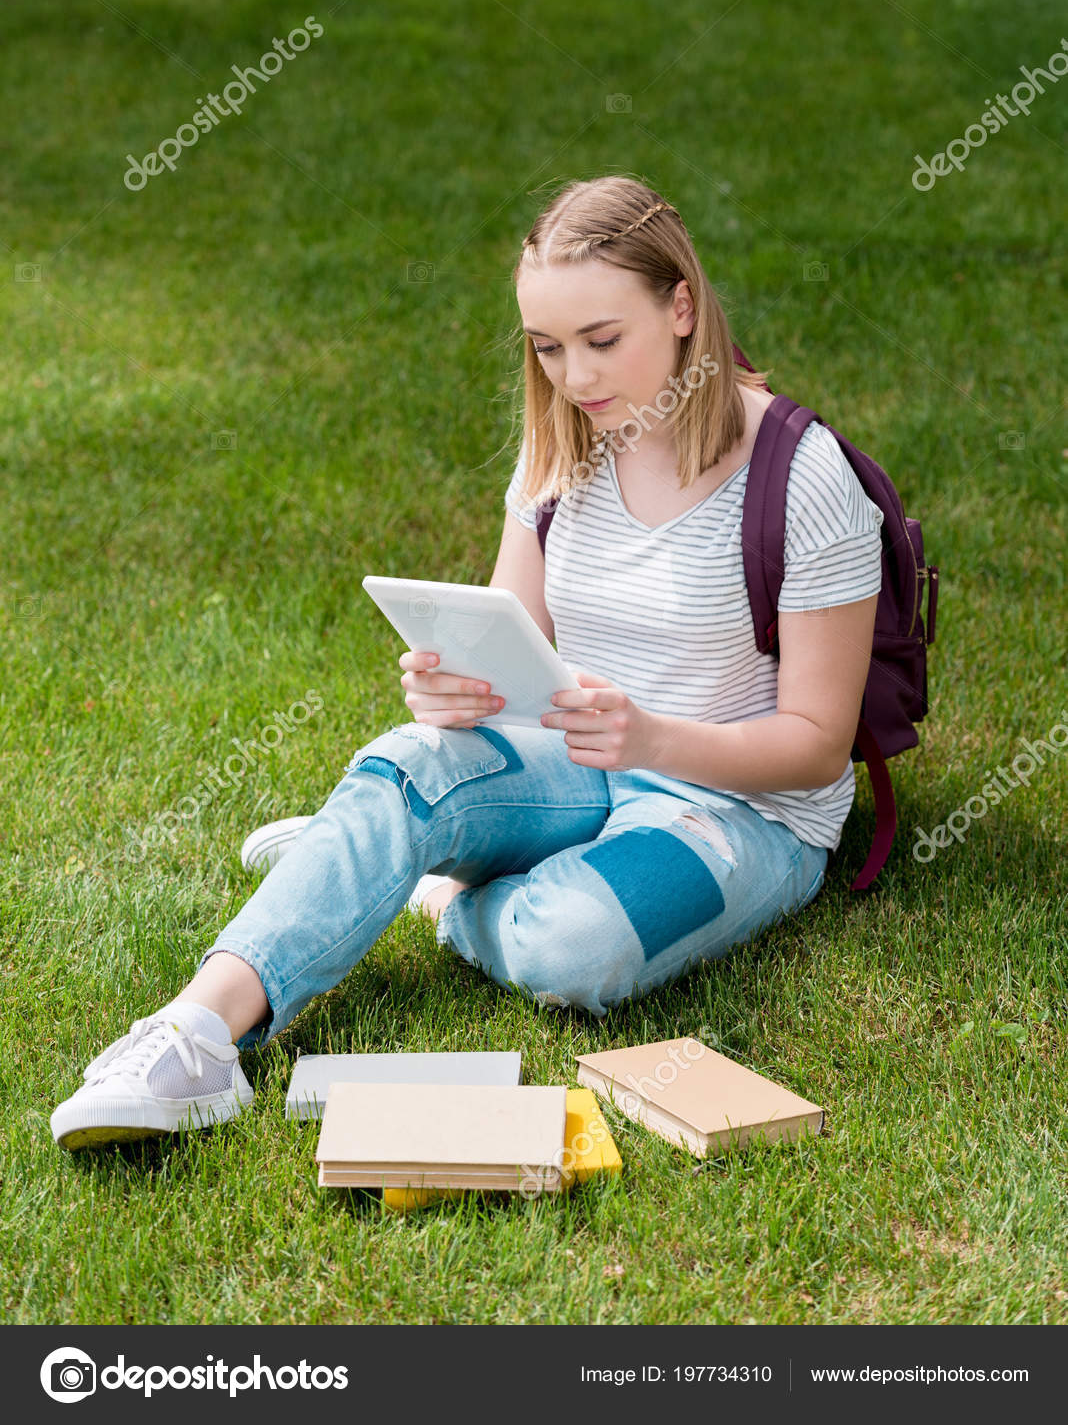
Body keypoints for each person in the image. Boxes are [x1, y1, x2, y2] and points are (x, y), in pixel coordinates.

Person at [50, 175, 884, 1152]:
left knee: (574, 944)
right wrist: (455, 689)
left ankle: (416, 882)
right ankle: (192, 1035)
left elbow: (819, 747)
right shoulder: (563, 445)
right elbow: (515, 639)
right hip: (583, 753)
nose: (573, 376)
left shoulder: (802, 473)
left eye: (602, 339)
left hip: (741, 810)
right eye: (546, 346)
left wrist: (654, 736)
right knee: (408, 758)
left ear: (684, 305)